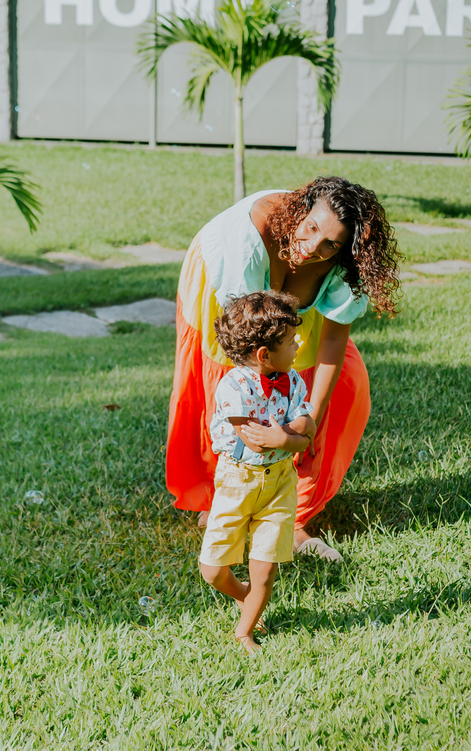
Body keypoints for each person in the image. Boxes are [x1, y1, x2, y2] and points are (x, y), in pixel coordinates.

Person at [167, 176, 401, 562]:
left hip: (282, 315)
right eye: (311, 228)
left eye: (331, 244)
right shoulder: (250, 240)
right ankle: (226, 498)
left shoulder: (347, 263)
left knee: (347, 385)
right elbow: (247, 347)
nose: (312, 248)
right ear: (302, 210)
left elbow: (332, 341)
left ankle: (291, 516)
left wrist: (310, 419)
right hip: (237, 310)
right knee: (236, 394)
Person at [198, 291, 316, 654]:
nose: (297, 344)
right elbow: (256, 442)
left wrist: (285, 437)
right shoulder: (233, 387)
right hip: (237, 482)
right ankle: (245, 596)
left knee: (264, 569)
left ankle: (244, 632)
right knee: (212, 570)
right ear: (264, 355)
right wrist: (290, 437)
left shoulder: (293, 380)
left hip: (279, 484)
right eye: (290, 341)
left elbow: (308, 430)